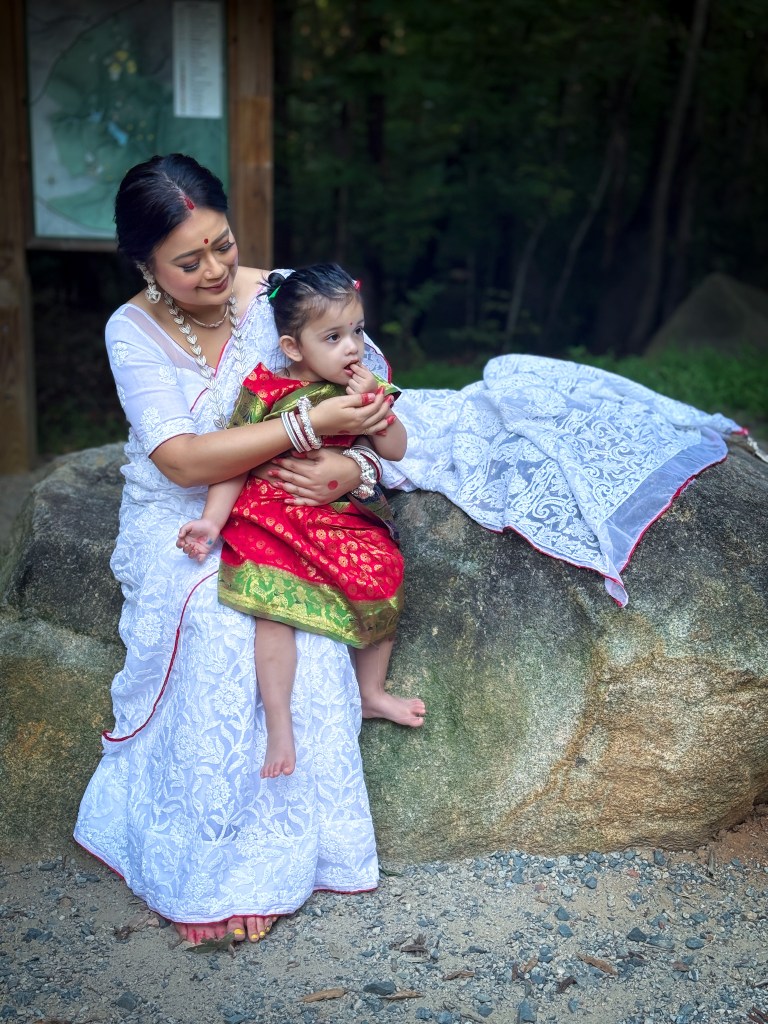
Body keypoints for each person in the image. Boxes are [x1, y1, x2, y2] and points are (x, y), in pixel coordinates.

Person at [75, 151, 745, 950]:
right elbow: (182, 461)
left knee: (315, 621)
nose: (216, 270)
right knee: (223, 625)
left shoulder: (284, 293)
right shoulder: (133, 330)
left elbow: (369, 391)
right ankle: (215, 865)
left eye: (223, 245)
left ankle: (294, 849)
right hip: (191, 509)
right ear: (145, 265)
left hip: (294, 496)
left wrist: (351, 469)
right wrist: (306, 427)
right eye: (189, 263)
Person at [176, 263, 424, 780]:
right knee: (273, 611)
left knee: (384, 571)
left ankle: (371, 692)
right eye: (333, 337)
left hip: (337, 514)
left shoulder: (360, 388)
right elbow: (232, 463)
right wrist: (211, 522)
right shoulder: (265, 391)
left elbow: (397, 449)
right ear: (293, 347)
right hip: (272, 515)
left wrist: (377, 407)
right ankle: (279, 725)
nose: (352, 347)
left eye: (357, 331)